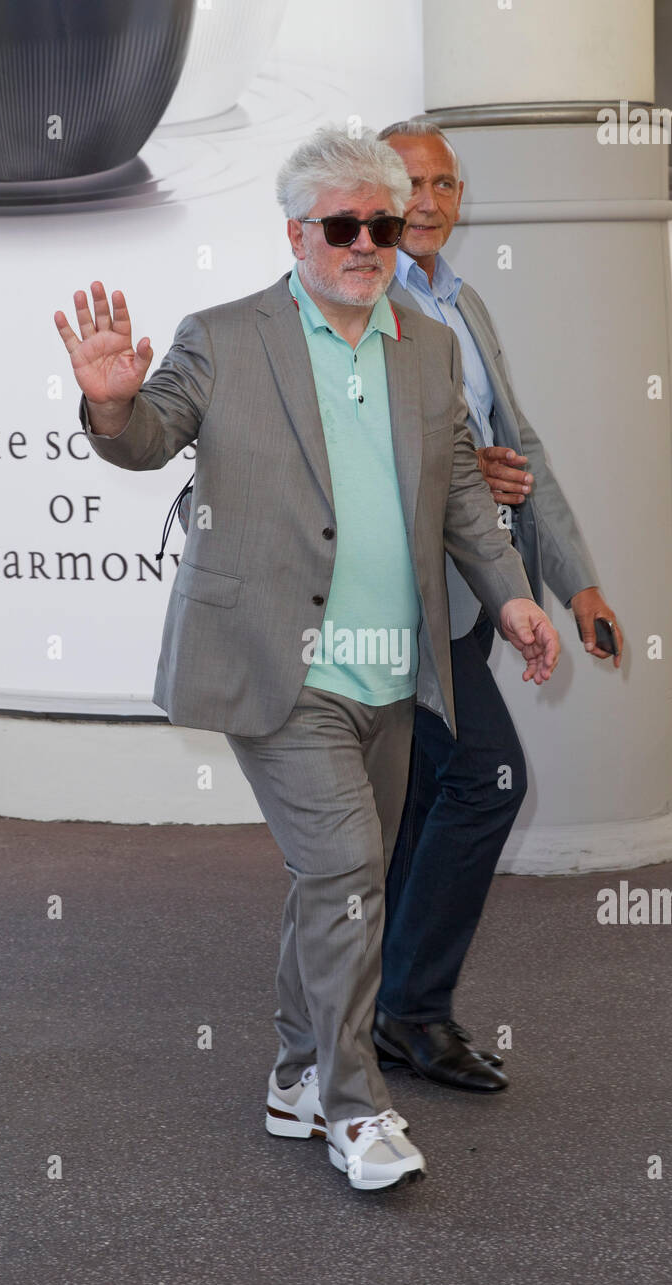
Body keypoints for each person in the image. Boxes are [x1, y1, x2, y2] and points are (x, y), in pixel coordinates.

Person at [54, 126, 560, 1193]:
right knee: (343, 875)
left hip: (393, 669)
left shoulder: (427, 345)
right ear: (296, 234)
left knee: (341, 879)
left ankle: (291, 1069)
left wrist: (512, 597)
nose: (367, 242)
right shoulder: (227, 336)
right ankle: (351, 1104)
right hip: (280, 667)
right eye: (343, 225)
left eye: (381, 223)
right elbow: (152, 434)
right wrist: (109, 401)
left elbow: (463, 497)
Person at [372, 120, 623, 1093]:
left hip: (480, 601)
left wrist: (577, 581)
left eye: (442, 183)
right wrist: (457, 470)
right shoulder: (360, 305)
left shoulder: (460, 301)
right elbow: (352, 459)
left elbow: (523, 452)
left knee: (432, 796)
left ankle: (382, 996)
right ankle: (411, 1009)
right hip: (401, 606)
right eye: (408, 184)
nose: (428, 201)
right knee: (488, 780)